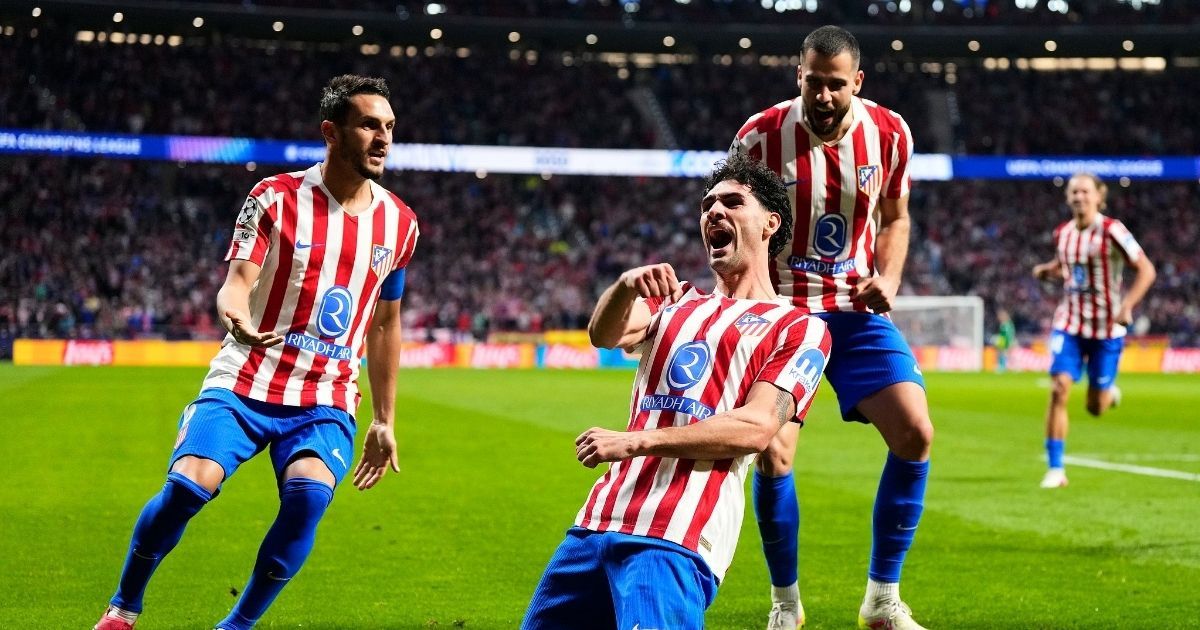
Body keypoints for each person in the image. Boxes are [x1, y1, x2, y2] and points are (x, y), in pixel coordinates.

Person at [95, 74, 419, 630]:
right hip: (247, 375)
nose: (383, 138)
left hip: (325, 395)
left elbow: (386, 323)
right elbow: (236, 284)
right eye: (369, 125)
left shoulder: (401, 224)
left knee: (307, 497)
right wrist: (237, 319)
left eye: (389, 126)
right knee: (189, 486)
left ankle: (236, 626)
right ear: (331, 132)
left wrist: (385, 418)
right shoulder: (274, 196)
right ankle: (123, 608)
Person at [521, 153, 832, 630]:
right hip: (595, 524)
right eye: (707, 205)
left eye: (732, 202)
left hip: (675, 536)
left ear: (770, 223)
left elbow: (755, 427)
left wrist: (636, 441)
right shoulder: (674, 300)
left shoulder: (799, 328)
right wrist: (625, 285)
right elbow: (604, 334)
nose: (714, 211)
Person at [729, 25, 933, 630]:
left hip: (856, 310)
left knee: (915, 433)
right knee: (773, 452)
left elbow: (896, 218)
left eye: (835, 85)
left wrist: (889, 278)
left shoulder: (890, 133)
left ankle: (882, 599)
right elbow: (732, 224)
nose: (823, 96)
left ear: (857, 83)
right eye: (813, 82)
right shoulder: (759, 136)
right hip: (785, 311)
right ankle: (785, 603)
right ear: (799, 76)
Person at [1031, 172, 1155, 489]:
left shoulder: (1113, 230)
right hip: (1069, 325)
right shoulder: (1062, 233)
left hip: (1106, 330)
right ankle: (1056, 468)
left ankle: (1107, 393)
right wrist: (1047, 270)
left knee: (1095, 408)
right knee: (1059, 388)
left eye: (1085, 191)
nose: (1079, 197)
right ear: (1067, 198)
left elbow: (1146, 269)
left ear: (1099, 197)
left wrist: (1127, 306)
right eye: (1074, 192)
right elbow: (1066, 266)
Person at [994, 308, 1017, 373]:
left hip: (1006, 342)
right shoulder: (1003, 324)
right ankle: (1002, 367)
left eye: (1001, 316)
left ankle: (1012, 367)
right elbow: (1002, 335)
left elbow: (1009, 335)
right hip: (1002, 342)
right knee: (1001, 354)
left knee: (1007, 355)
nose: (999, 318)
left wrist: (1010, 342)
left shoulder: (1007, 325)